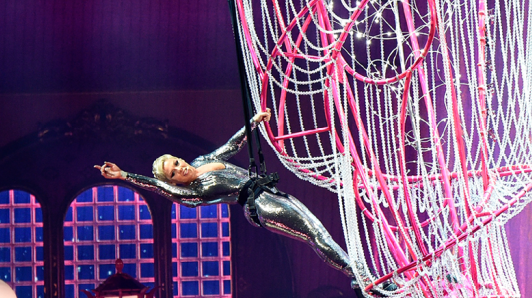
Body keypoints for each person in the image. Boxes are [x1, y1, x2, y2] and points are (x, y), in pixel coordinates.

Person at [96, 110, 354, 278]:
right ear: (174, 183)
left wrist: (253, 123)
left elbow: (231, 146)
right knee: (315, 235)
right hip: (261, 204)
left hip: (268, 192)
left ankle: (358, 276)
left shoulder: (201, 161)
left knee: (319, 232)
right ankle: (358, 277)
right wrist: (125, 176)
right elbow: (158, 187)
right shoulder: (194, 193)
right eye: (173, 173)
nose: (179, 168)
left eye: (175, 162)